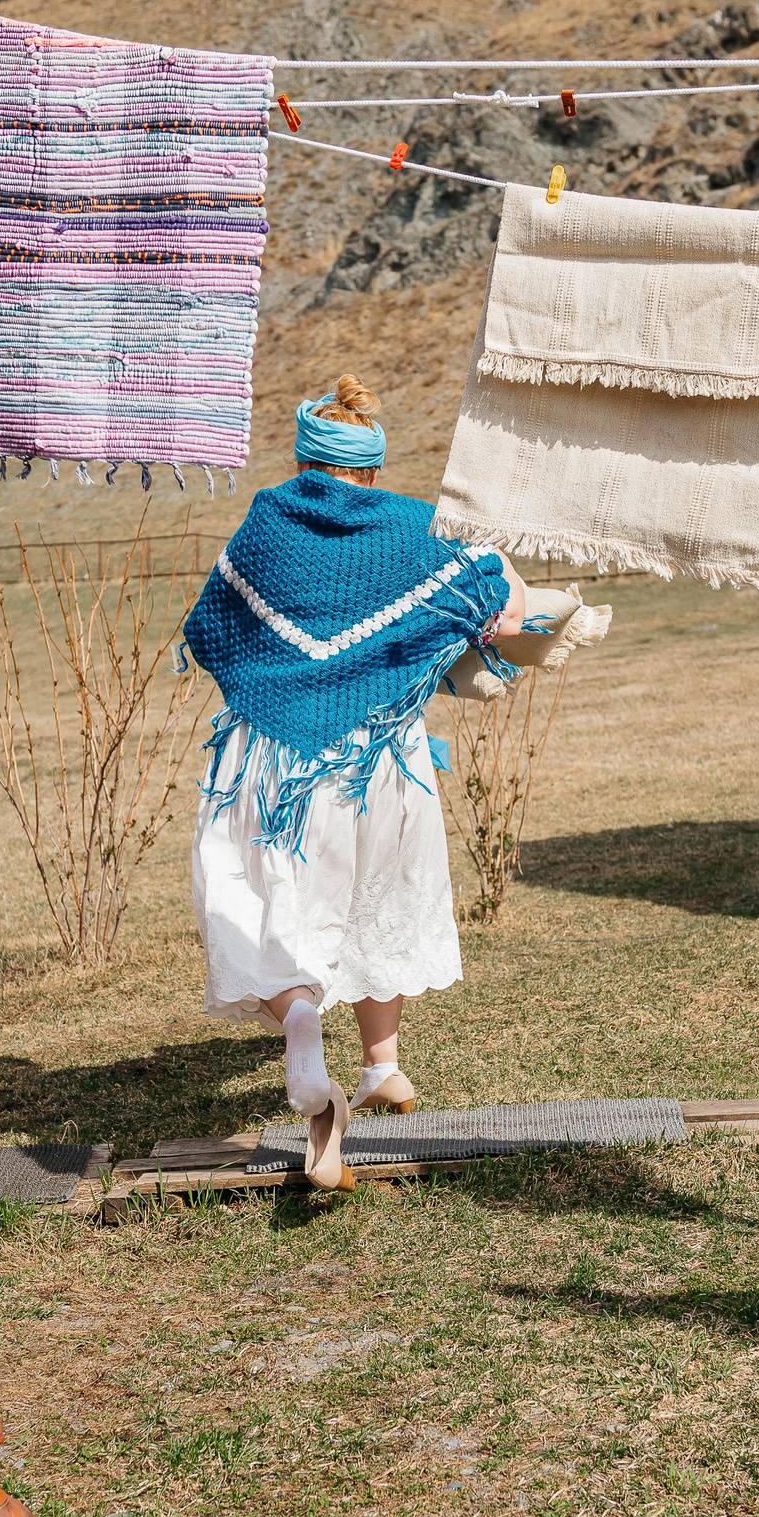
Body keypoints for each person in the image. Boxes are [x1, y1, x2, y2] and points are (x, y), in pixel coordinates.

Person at [181, 375, 529, 1190]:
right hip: (379, 764)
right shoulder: (415, 529)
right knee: (379, 901)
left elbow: (211, 625)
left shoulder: (266, 522)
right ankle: (382, 1063)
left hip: (277, 765)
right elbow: (502, 606)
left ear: (305, 458)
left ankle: (303, 1021)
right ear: (372, 466)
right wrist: (496, 588)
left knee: (263, 904)